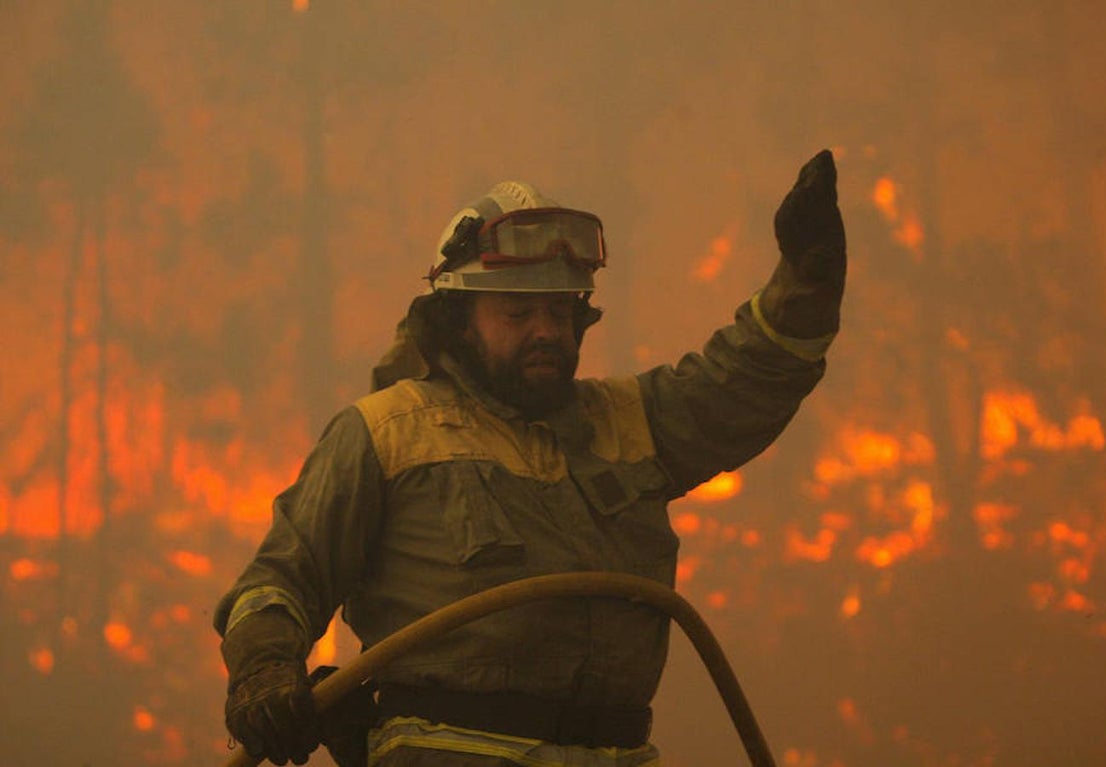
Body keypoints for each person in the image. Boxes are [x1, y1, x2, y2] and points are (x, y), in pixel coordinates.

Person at [215, 149, 847, 767]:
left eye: (559, 310)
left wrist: (807, 281)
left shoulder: (629, 420)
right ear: (460, 321)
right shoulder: (386, 433)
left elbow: (746, 381)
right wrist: (264, 671)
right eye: (517, 311)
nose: (545, 329)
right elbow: (279, 581)